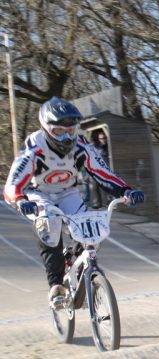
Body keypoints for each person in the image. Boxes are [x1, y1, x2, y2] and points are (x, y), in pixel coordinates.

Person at [3, 97, 144, 307]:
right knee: (49, 225)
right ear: (46, 129)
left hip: (68, 192)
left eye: (71, 131)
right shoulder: (35, 149)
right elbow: (12, 184)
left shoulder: (82, 146)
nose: (66, 137)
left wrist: (125, 190)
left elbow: (102, 172)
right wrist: (20, 199)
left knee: (93, 229)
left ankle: (79, 265)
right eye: (59, 132)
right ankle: (56, 286)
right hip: (38, 194)